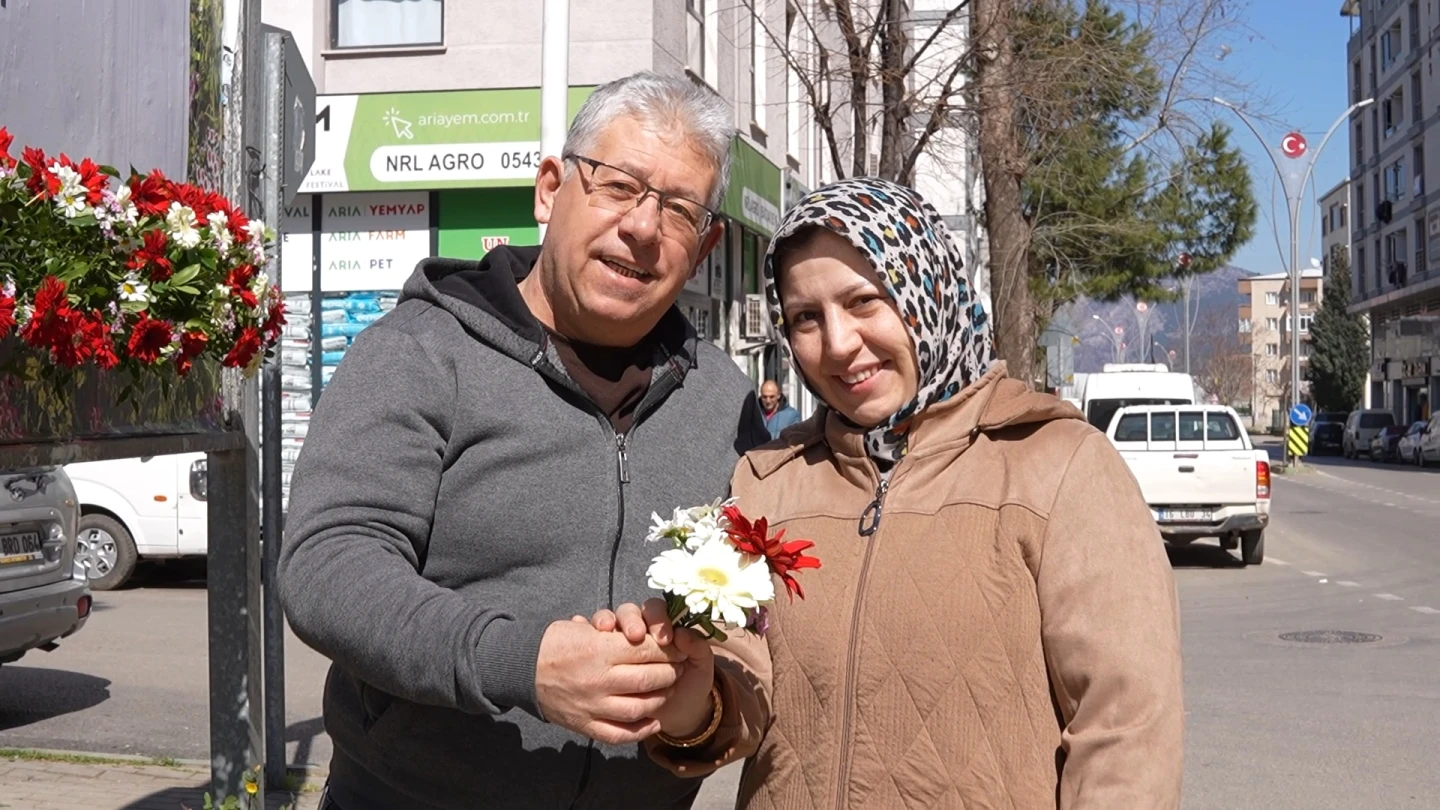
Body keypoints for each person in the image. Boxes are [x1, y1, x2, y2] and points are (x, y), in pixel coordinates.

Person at [277, 71, 772, 810]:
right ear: (549, 189)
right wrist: (521, 662)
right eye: (618, 185)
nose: (643, 227)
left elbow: (758, 618)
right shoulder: (419, 353)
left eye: (678, 209)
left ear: (704, 247)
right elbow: (328, 565)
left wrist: (703, 714)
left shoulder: (725, 404)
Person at [725, 178, 1185, 809]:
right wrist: (689, 699)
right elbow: (735, 694)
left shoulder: (1058, 465)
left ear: (929, 292)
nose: (837, 344)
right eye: (807, 317)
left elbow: (1126, 732)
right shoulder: (768, 481)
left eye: (864, 301)